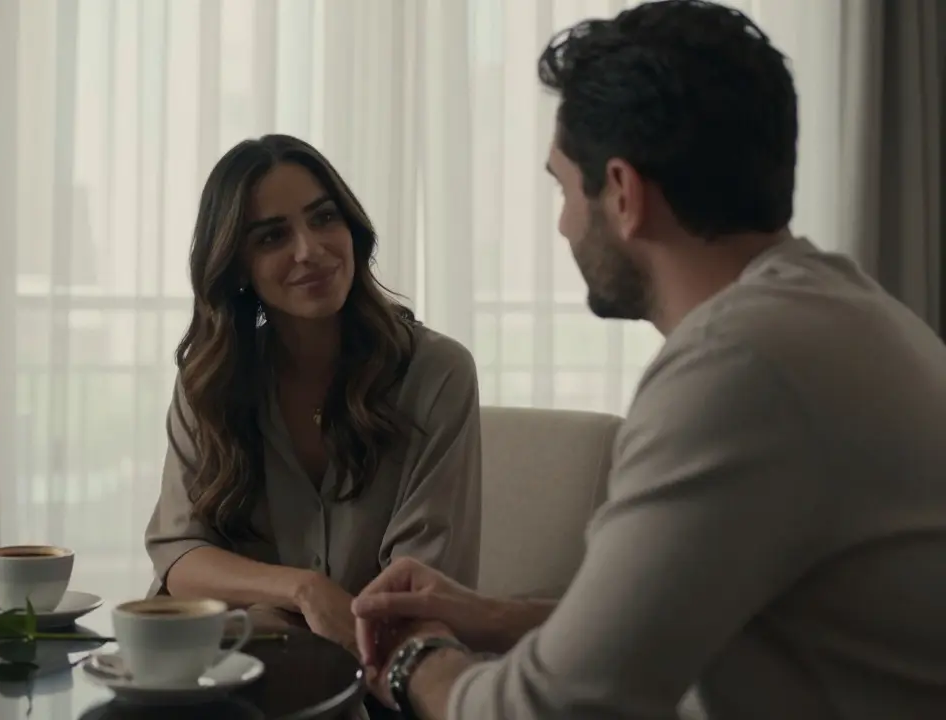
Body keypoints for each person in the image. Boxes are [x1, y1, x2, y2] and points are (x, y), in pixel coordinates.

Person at [350, 1, 946, 719]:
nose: (566, 222)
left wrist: (419, 661)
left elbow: (550, 709)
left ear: (625, 195)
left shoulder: (738, 367)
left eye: (564, 188)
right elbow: (679, 621)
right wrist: (493, 616)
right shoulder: (838, 313)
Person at [144, 133, 482, 659]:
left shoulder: (437, 374)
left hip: (386, 667)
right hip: (227, 666)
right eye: (271, 237)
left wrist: (286, 617)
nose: (309, 251)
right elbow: (181, 554)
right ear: (238, 267)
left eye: (324, 218)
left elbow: (420, 582)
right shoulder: (208, 382)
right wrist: (302, 589)